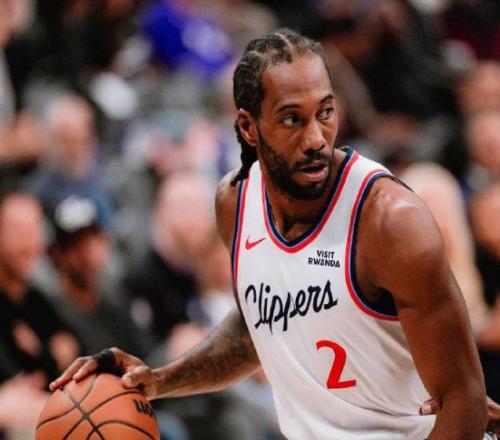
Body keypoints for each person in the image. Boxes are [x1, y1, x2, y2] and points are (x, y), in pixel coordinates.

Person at [51, 28, 493, 439]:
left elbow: (467, 402)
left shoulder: (389, 220)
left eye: (325, 112)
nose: (316, 138)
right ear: (248, 127)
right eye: (292, 119)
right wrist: (157, 380)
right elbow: (257, 330)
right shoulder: (235, 204)